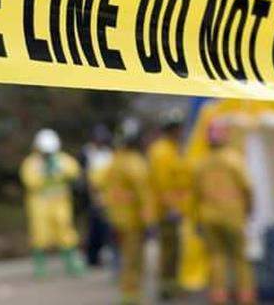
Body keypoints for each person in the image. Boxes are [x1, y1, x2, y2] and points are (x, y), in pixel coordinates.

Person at [193, 119, 256, 305]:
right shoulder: (234, 160)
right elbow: (247, 187)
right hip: (233, 216)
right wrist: (249, 209)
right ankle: (245, 298)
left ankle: (218, 298)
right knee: (239, 258)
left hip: (209, 217)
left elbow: (195, 195)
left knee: (216, 257)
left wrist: (197, 219)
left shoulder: (201, 163)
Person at [102, 118, 156, 305]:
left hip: (116, 219)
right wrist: (149, 221)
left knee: (125, 257)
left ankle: (127, 294)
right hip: (133, 221)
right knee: (134, 260)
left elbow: (105, 188)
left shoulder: (114, 161)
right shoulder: (136, 163)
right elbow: (144, 194)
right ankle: (131, 296)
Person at [20, 128, 85, 278]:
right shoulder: (32, 163)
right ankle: (40, 266)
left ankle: (71, 262)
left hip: (60, 202)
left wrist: (60, 170)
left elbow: (74, 171)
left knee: (65, 229)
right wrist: (44, 173)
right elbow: (29, 181)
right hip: (39, 204)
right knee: (40, 234)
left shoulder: (62, 159)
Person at [148, 108, 191, 300]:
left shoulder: (174, 149)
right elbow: (162, 184)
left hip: (177, 208)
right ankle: (166, 287)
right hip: (167, 209)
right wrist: (171, 207)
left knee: (175, 249)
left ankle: (172, 284)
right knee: (169, 250)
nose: (181, 131)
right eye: (178, 128)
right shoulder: (162, 152)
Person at [79, 124, 115, 267]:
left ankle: (105, 254)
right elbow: (82, 173)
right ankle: (92, 256)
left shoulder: (109, 153)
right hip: (91, 195)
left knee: (106, 226)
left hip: (107, 194)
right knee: (93, 227)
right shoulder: (86, 152)